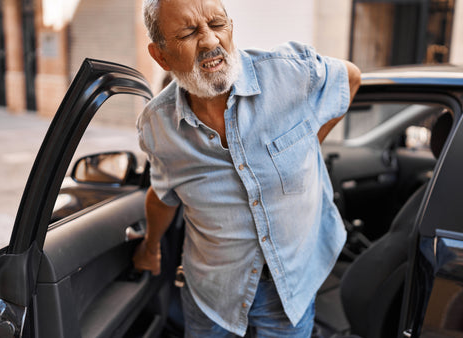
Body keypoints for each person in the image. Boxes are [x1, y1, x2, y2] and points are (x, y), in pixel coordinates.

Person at [133, 0, 361, 336]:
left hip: (290, 291)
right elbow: (163, 193)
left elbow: (350, 78)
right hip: (212, 295)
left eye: (217, 23)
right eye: (189, 32)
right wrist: (149, 247)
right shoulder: (157, 125)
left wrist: (310, 144)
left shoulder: (290, 72)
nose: (210, 41)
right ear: (161, 56)